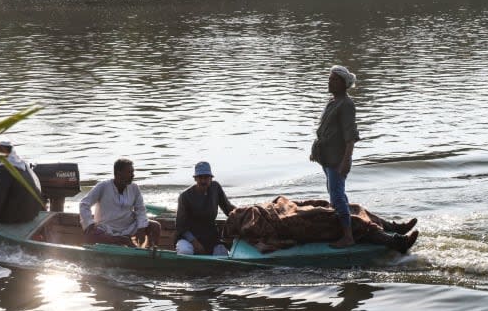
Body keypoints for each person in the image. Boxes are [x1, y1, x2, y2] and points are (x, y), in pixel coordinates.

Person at [225, 196, 418, 254]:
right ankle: (396, 242)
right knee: (350, 221)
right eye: (236, 213)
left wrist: (315, 205)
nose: (238, 210)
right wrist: (314, 211)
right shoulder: (252, 221)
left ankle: (393, 227)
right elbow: (253, 232)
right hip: (297, 224)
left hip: (293, 212)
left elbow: (290, 204)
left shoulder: (261, 208)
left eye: (237, 211)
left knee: (352, 207)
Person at [310, 65, 360, 248]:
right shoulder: (333, 101)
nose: (329, 82)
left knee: (337, 197)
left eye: (333, 79)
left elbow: (350, 136)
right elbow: (326, 131)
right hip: (328, 158)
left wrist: (346, 161)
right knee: (336, 194)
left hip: (338, 160)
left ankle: (348, 236)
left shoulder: (346, 104)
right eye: (329, 78)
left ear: (343, 83)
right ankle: (346, 227)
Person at [79, 158, 161, 247]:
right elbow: (84, 204)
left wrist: (141, 227)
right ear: (119, 173)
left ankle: (148, 253)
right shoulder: (103, 186)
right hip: (106, 228)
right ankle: (123, 241)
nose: (133, 175)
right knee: (91, 235)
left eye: (132, 172)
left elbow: (140, 210)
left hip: (128, 226)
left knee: (155, 226)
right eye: (129, 172)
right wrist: (90, 224)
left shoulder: (134, 188)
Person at [0, 139, 44, 227]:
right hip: (31, 215)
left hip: (14, 218)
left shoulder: (5, 169)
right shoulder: (23, 165)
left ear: (4, 151)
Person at [175, 161, 236, 256]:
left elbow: (228, 209)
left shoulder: (216, 188)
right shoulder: (185, 196)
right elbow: (180, 226)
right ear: (195, 178)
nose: (203, 181)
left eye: (206, 177)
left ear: (211, 178)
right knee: (185, 252)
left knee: (222, 254)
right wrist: (194, 242)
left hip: (211, 237)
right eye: (200, 177)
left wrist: (243, 214)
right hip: (189, 238)